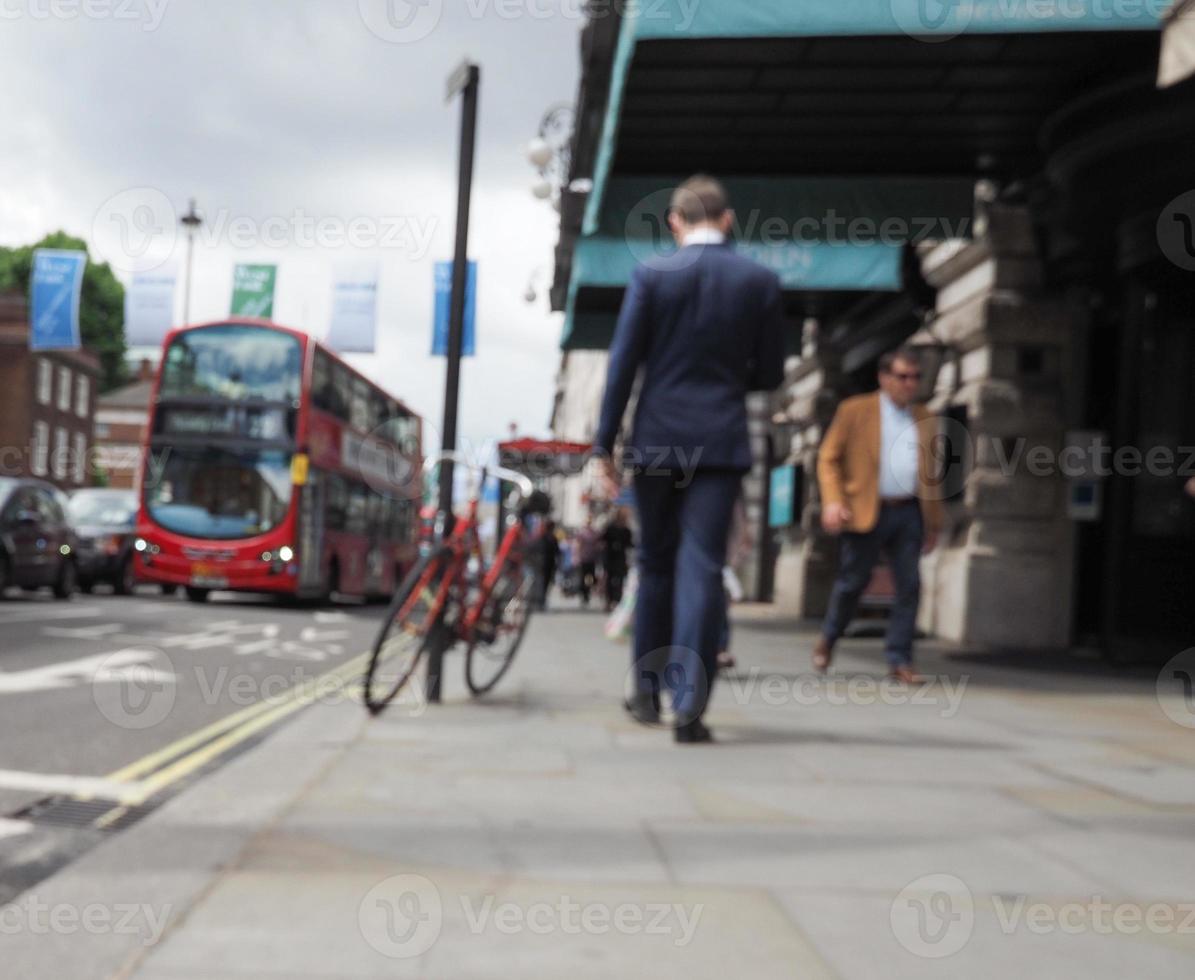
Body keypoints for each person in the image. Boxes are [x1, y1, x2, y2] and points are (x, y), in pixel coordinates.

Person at [596, 175, 786, 744]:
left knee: (654, 562)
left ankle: (644, 692)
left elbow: (623, 365)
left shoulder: (651, 275)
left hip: (658, 440)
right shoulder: (759, 280)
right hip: (720, 441)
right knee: (702, 565)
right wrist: (729, 380)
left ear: (674, 223)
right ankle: (691, 705)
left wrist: (603, 444)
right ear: (728, 221)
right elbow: (773, 373)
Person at [814, 346, 944, 684]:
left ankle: (900, 659)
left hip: (908, 512)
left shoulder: (926, 418)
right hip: (865, 510)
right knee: (851, 584)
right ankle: (829, 637)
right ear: (884, 378)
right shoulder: (855, 410)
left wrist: (934, 523)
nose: (909, 384)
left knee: (910, 585)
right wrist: (832, 501)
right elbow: (828, 458)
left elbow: (932, 473)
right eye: (902, 377)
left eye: (915, 377)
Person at [600, 509, 634, 611]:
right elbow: (603, 539)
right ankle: (609, 601)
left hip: (620, 558)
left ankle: (617, 600)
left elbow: (629, 544)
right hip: (610, 557)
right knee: (609, 580)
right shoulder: (610, 528)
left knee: (619, 580)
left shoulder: (626, 530)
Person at [534, 518, 561, 611]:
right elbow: (557, 552)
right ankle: (542, 600)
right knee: (546, 583)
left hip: (541, 563)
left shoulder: (541, 537)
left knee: (541, 583)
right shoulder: (552, 538)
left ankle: (540, 601)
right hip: (549, 563)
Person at [575, 517, 600, 606]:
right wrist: (577, 556)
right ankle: (583, 594)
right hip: (583, 558)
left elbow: (598, 544)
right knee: (583, 577)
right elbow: (578, 545)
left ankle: (587, 591)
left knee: (590, 577)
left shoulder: (595, 533)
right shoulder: (582, 533)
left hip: (592, 558)